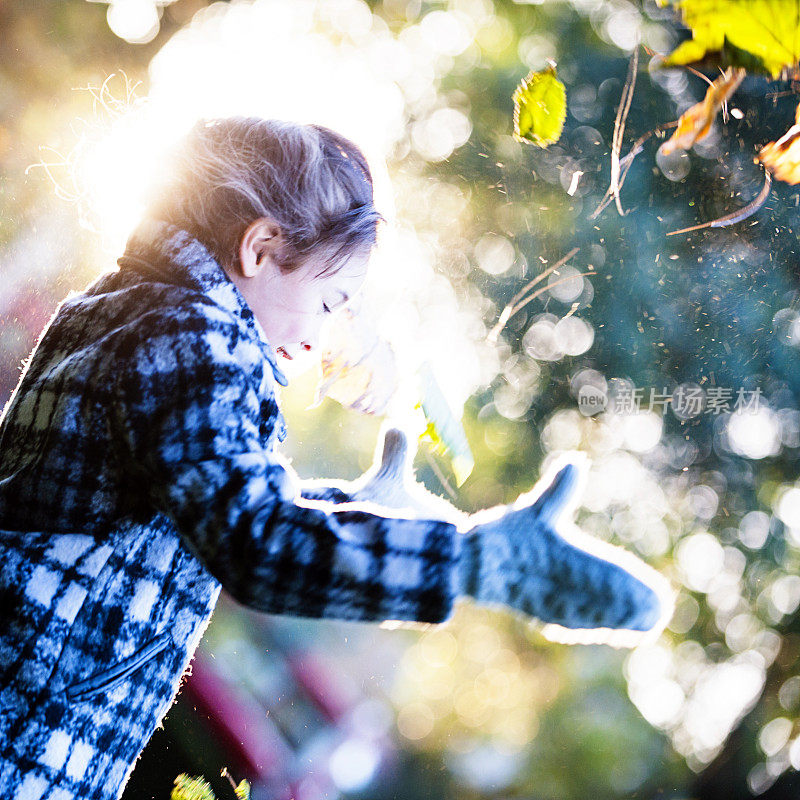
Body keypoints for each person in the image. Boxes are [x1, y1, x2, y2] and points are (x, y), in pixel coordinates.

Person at [0, 117, 665, 800]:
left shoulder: (125, 307)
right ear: (259, 247)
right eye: (327, 301)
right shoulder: (193, 340)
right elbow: (254, 544)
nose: (323, 336)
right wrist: (472, 560)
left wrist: (349, 513)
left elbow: (179, 511)